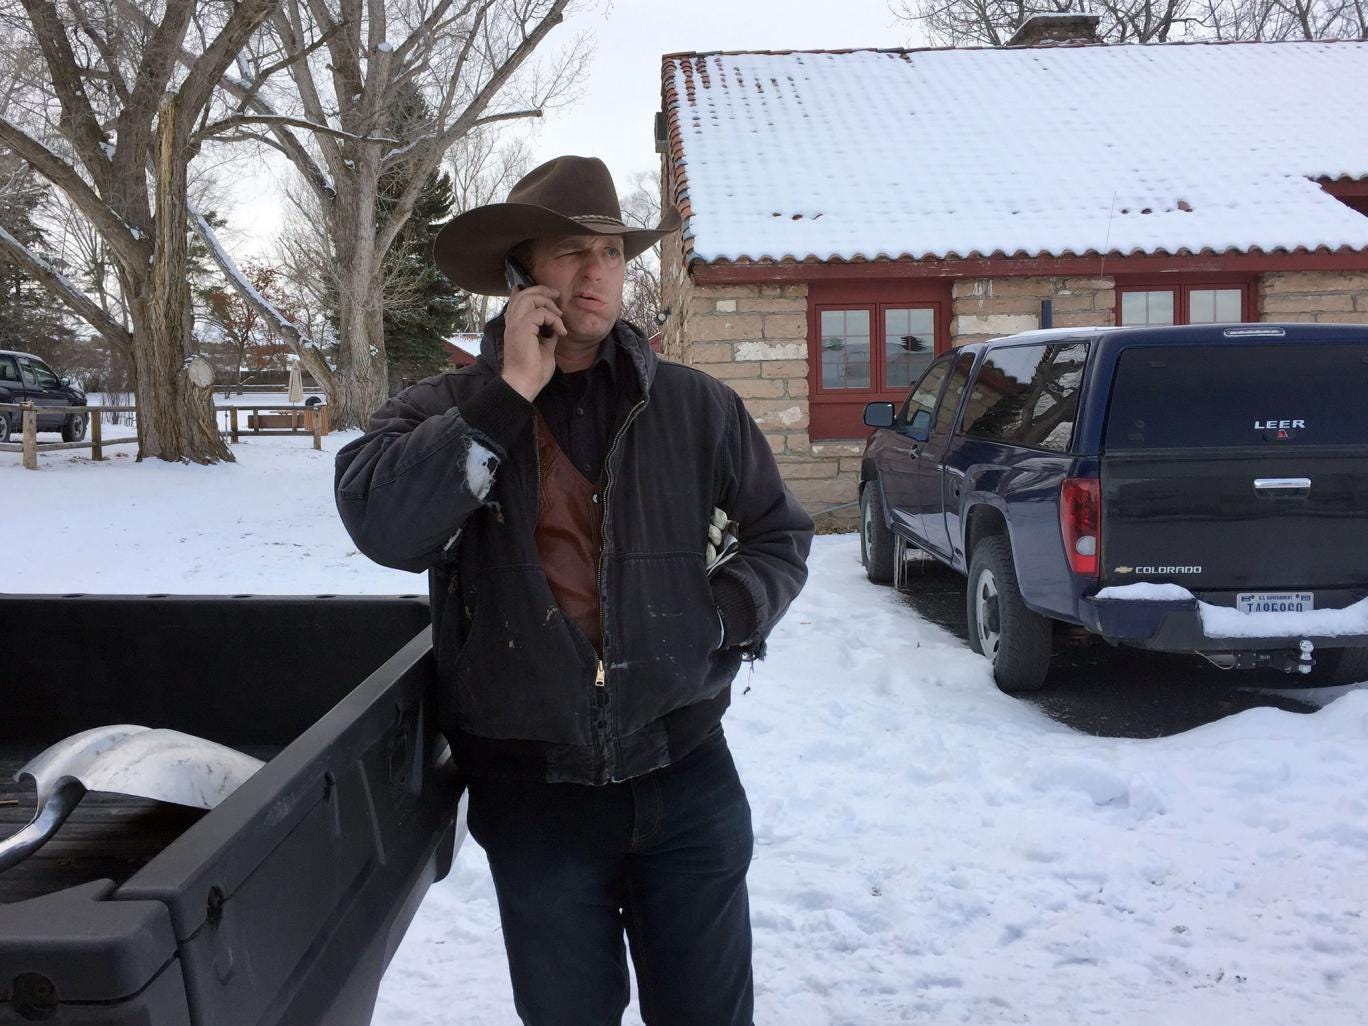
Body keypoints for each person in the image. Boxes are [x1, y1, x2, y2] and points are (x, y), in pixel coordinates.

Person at [334, 155, 813, 1026]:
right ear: (522, 275)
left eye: (612, 253)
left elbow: (780, 535)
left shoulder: (696, 407)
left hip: (686, 776)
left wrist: (723, 613)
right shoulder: (441, 410)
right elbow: (384, 528)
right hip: (534, 798)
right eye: (569, 252)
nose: (596, 274)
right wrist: (507, 392)